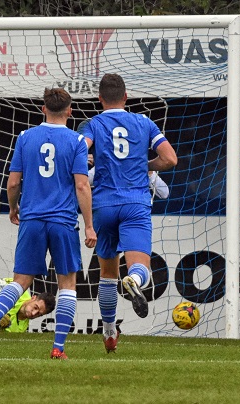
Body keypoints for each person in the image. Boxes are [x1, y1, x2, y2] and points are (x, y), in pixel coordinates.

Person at [0, 88, 96, 360]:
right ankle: (58, 348)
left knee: (20, 281)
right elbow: (81, 185)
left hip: (31, 218)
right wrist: (89, 225)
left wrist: (12, 206)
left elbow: (13, 181)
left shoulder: (25, 137)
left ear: (43, 108)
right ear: (69, 111)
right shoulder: (77, 141)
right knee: (67, 283)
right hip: (62, 220)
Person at [79, 73, 177, 353]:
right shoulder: (143, 122)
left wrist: (87, 160)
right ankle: (133, 281)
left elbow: (79, 150)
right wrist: (144, 164)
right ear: (126, 96)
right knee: (139, 268)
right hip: (135, 203)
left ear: (100, 100)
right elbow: (170, 158)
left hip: (104, 204)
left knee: (107, 273)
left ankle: (109, 332)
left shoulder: (93, 124)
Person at [88, 154, 169, 200]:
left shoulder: (141, 164)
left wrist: (150, 172)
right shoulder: (105, 164)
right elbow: (81, 183)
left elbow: (164, 193)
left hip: (134, 211)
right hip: (109, 210)